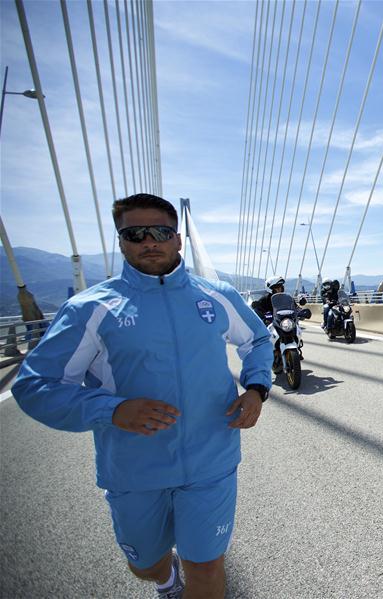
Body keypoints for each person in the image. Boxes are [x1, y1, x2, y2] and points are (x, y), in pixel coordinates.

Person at [12, 194, 273, 599]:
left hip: (211, 460)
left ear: (178, 239)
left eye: (160, 232)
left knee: (206, 566)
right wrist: (111, 410)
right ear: (121, 242)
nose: (149, 241)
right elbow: (34, 385)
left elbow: (257, 339)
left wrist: (256, 388)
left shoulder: (216, 295)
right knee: (145, 565)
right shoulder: (89, 309)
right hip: (135, 470)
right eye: (135, 234)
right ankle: (164, 578)